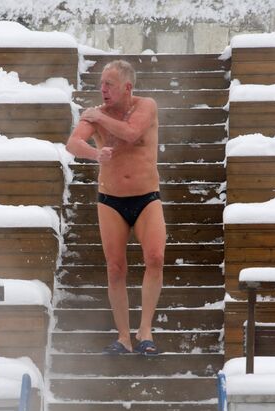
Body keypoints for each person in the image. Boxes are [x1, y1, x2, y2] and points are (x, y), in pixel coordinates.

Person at [66, 59, 166, 355]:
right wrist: (95, 153)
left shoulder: (146, 105)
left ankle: (145, 330)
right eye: (101, 84)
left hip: (147, 196)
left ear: (127, 87)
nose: (103, 89)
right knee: (115, 268)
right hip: (111, 200)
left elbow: (132, 133)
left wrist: (99, 117)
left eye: (109, 84)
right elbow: (73, 143)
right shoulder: (95, 115)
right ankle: (124, 336)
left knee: (156, 257)